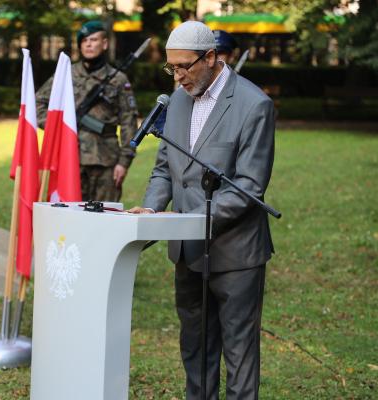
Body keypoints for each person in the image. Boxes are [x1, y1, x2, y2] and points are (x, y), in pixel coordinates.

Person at [129, 21, 275, 399]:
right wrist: (151, 208)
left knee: (239, 354)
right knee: (195, 348)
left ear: (210, 57)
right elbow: (164, 167)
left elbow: (249, 186)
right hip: (188, 251)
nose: (177, 77)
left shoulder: (254, 104)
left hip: (236, 252)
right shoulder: (177, 99)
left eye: (183, 67)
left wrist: (191, 222)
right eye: (171, 68)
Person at [35, 20, 139, 202]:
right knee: (70, 218)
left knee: (105, 219)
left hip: (106, 162)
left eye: (93, 40)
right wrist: (60, 126)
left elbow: (129, 122)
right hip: (69, 158)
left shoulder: (118, 79)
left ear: (105, 44)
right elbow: (38, 105)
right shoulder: (66, 74)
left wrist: (124, 162)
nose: (89, 44)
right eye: (84, 41)